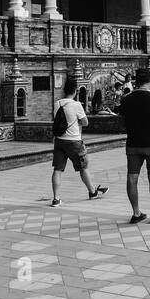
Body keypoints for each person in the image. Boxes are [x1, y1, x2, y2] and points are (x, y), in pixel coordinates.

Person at [116, 70, 150, 224]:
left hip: (133, 144)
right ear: (149, 80)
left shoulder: (126, 99)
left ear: (135, 81)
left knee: (132, 177)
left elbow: (121, 124)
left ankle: (136, 213)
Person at [50, 75, 107, 206]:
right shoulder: (76, 105)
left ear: (64, 90)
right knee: (83, 167)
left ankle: (56, 198)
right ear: (75, 91)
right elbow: (86, 122)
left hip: (59, 140)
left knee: (57, 170)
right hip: (74, 141)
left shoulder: (57, 104)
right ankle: (92, 192)